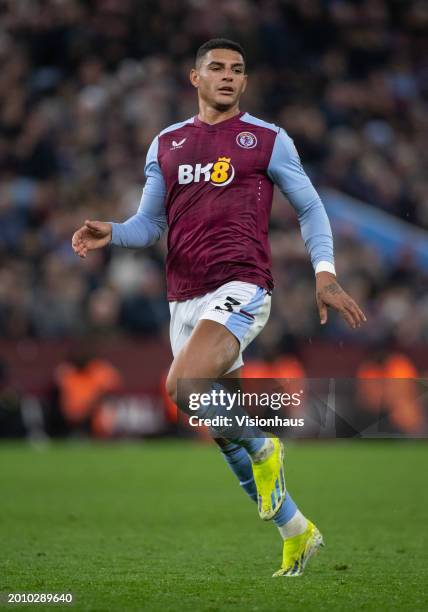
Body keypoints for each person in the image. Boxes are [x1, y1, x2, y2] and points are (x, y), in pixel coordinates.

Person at [72, 38, 366, 577]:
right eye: (217, 68)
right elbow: (149, 225)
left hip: (242, 285)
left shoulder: (268, 141)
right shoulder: (167, 143)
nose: (228, 76)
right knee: (210, 415)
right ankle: (296, 530)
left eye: (237, 70)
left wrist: (325, 275)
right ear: (195, 78)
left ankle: (266, 447)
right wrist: (111, 232)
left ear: (244, 82)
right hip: (182, 299)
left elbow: (311, 208)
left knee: (183, 389)